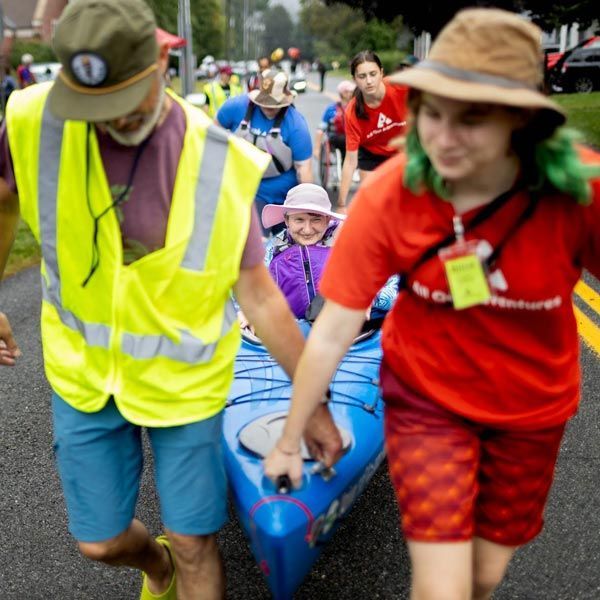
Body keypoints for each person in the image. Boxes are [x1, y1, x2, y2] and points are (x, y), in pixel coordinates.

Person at [0, 1, 338, 599]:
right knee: (99, 542)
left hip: (185, 382)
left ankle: (178, 560)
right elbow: (5, 194)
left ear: (163, 57)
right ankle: (157, 569)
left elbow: (260, 298)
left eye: (124, 103)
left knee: (195, 542)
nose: (108, 123)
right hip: (83, 373)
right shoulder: (32, 117)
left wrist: (310, 406)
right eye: (92, 106)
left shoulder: (220, 163)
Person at [264, 8, 600, 600]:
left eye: (470, 118)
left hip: (530, 412)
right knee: (443, 588)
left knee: (482, 577)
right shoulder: (392, 195)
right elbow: (334, 329)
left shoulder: (580, 191)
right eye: (431, 111)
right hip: (428, 400)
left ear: (522, 122)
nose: (441, 136)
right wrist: (291, 438)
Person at [216, 68, 313, 235]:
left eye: (273, 104)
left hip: (281, 196)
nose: (268, 107)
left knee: (283, 249)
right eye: (265, 103)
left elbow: (304, 169)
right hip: (244, 191)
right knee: (254, 247)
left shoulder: (296, 124)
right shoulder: (236, 107)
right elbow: (213, 131)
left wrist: (307, 208)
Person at [337, 50, 409, 213]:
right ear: (355, 79)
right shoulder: (353, 112)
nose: (369, 81)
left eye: (373, 74)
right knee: (374, 205)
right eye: (362, 76)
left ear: (381, 73)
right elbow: (350, 161)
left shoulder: (400, 87)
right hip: (371, 155)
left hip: (403, 150)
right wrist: (341, 204)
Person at [313, 79, 355, 164]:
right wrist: (317, 148)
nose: (351, 94)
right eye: (348, 91)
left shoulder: (357, 107)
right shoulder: (331, 109)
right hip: (337, 138)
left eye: (352, 91)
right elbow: (321, 129)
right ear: (342, 93)